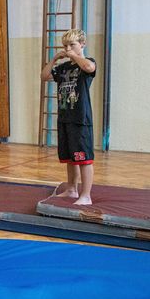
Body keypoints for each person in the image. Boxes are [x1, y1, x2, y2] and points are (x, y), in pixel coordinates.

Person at [41, 29, 96, 205]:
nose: (68, 48)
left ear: (82, 45)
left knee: (83, 158)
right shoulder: (63, 67)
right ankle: (71, 189)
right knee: (70, 157)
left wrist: (74, 55)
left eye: (72, 44)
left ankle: (86, 195)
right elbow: (44, 76)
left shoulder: (86, 63)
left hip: (80, 118)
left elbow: (89, 67)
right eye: (65, 45)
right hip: (65, 117)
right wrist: (55, 59)